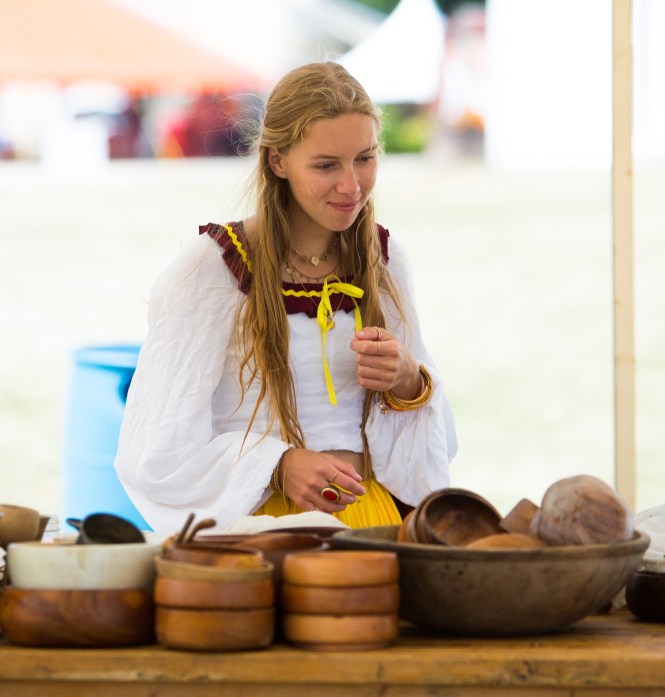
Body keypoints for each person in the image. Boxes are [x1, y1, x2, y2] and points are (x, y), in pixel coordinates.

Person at [115, 62, 457, 534]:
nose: (351, 185)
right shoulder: (210, 272)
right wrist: (277, 464)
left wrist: (406, 380)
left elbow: (435, 443)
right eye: (325, 165)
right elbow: (155, 448)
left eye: (365, 158)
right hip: (262, 530)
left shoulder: (384, 261)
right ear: (277, 160)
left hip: (372, 523)